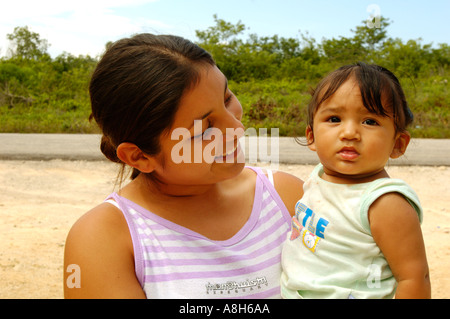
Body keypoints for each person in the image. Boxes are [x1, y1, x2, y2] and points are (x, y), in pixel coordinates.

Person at [63, 33, 304, 299]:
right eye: (205, 128)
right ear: (139, 156)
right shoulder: (102, 240)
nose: (237, 128)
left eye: (226, 99)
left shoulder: (287, 198)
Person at [281, 62, 431, 299]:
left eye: (370, 121)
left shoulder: (384, 203)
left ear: (398, 144)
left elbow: (413, 277)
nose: (349, 133)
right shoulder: (319, 176)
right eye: (334, 119)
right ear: (311, 136)